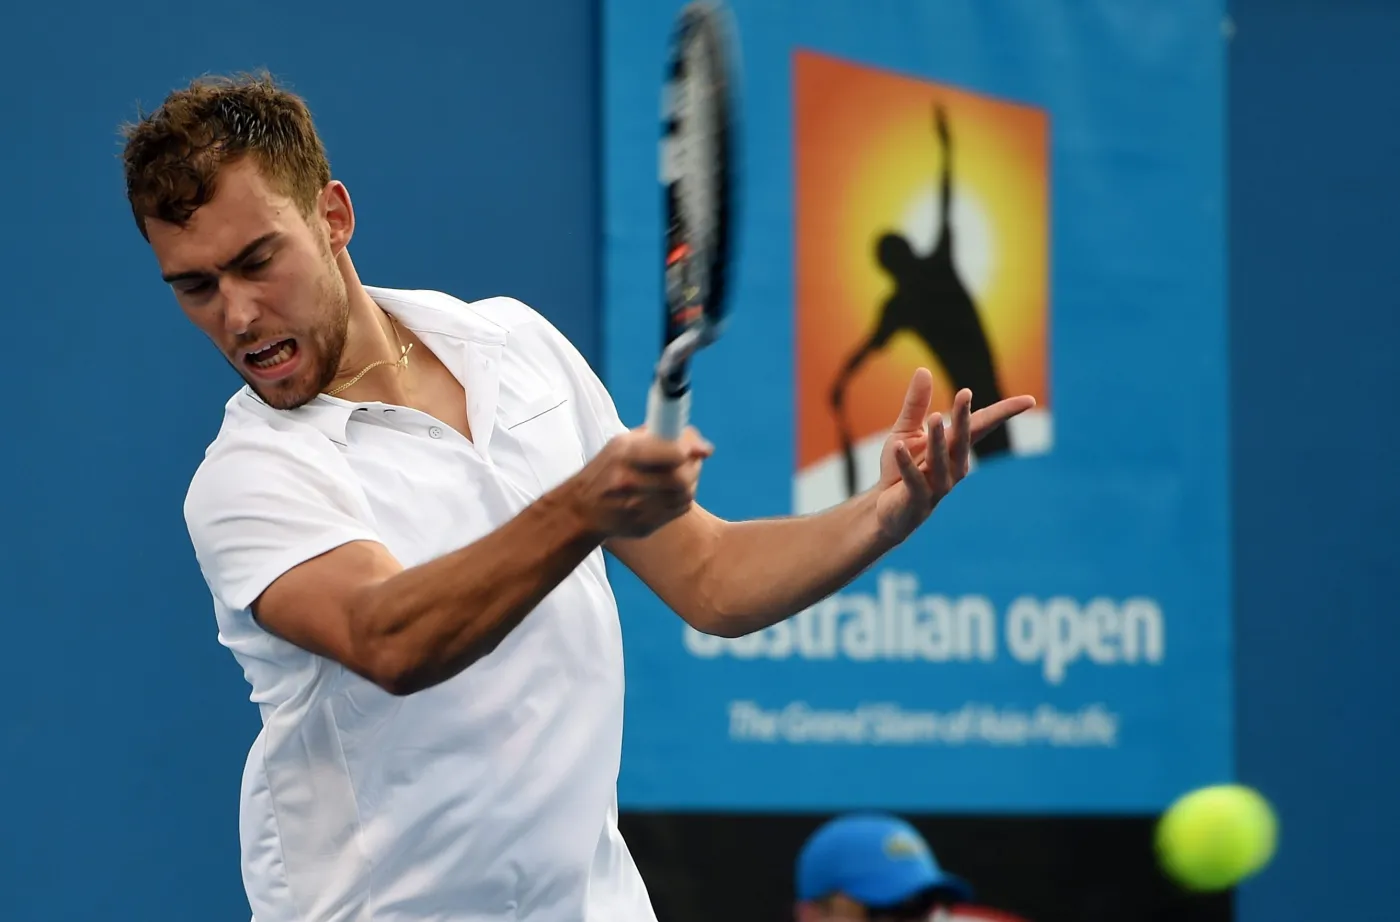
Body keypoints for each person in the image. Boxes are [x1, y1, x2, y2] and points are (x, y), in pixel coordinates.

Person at [120, 72, 1034, 922]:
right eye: (195, 287)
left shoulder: (513, 346)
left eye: (256, 261)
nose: (236, 315)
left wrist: (880, 514)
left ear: (334, 216)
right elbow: (387, 638)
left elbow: (709, 577)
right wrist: (581, 510)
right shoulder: (249, 477)